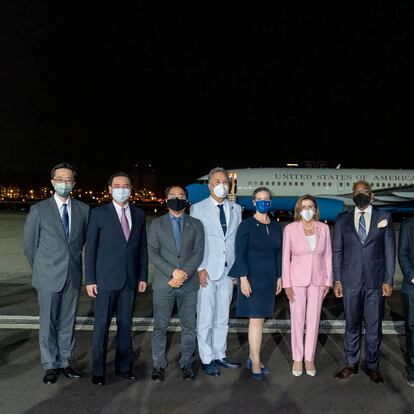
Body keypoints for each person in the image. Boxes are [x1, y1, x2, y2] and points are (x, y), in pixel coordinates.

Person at [23, 162, 89, 384]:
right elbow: (30, 246)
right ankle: (50, 364)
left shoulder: (83, 210)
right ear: (52, 182)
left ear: (74, 183)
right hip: (48, 276)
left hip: (72, 275)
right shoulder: (39, 210)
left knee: (68, 321)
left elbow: (83, 243)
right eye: (59, 180)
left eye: (68, 180)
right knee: (48, 322)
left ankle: (65, 361)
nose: (64, 183)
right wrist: (42, 269)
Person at [85, 171, 148, 386]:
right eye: (117, 185)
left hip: (129, 281)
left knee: (125, 325)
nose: (122, 189)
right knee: (101, 326)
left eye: (126, 185)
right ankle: (99, 370)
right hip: (104, 280)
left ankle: (124, 367)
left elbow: (142, 250)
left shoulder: (139, 215)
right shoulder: (99, 213)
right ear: (110, 189)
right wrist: (90, 279)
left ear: (131, 189)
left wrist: (142, 276)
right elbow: (90, 249)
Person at [333, 180, 395, 384]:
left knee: (374, 326)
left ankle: (372, 366)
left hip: (375, 282)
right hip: (350, 281)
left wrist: (388, 280)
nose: (360, 194)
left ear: (371, 195)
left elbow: (389, 251)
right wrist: (337, 279)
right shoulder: (342, 219)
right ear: (352, 195)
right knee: (351, 324)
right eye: (357, 191)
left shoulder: (384, 217)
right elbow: (338, 252)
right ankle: (351, 363)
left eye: (364, 191)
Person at [148, 185, 205, 381]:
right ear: (166, 199)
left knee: (189, 327)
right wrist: (173, 272)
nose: (177, 198)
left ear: (186, 200)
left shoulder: (196, 224)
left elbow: (198, 252)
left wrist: (184, 274)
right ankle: (158, 365)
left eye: (181, 195)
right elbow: (153, 253)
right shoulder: (156, 224)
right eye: (173, 195)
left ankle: (186, 363)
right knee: (160, 327)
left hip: (188, 285)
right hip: (165, 284)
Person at [190, 167, 242, 376]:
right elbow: (196, 241)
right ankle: (206, 357)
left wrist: (237, 269)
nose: (221, 184)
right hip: (207, 271)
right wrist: (199, 268)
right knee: (205, 315)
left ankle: (220, 354)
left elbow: (235, 241)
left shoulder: (236, 209)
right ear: (210, 185)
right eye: (217, 181)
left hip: (228, 271)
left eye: (225, 181)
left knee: (222, 315)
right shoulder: (197, 209)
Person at [228, 187, 282, 380]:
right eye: (259, 199)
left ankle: (253, 356)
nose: (263, 202)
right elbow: (239, 253)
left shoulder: (276, 226)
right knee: (256, 320)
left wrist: (279, 277)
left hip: (269, 277)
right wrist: (243, 278)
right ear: (253, 202)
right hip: (252, 277)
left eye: (266, 199)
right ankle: (256, 362)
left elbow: (279, 254)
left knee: (261, 319)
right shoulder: (246, 225)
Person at [282, 195, 332, 377]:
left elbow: (328, 255)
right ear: (298, 210)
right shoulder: (290, 229)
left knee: (314, 319)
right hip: (296, 281)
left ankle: (309, 357)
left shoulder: (324, 228)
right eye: (304, 206)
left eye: (311, 206)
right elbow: (285, 257)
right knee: (297, 320)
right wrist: (287, 283)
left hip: (318, 280)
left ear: (316, 209)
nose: (307, 209)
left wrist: (328, 280)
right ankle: (297, 357)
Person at [398, 217, 414, 387]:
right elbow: (402, 254)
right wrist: (412, 277)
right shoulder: (408, 225)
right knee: (411, 327)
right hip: (412, 286)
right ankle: (413, 368)